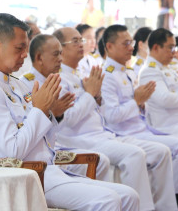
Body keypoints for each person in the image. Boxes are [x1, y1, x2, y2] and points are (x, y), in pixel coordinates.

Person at [0, 13, 139, 211]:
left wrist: (51, 113)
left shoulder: (16, 84)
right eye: (19, 48)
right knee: (107, 200)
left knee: (129, 196)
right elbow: (11, 152)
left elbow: (46, 140)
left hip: (49, 170)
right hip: (25, 177)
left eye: (26, 48)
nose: (25, 55)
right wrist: (40, 110)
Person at [53, 27, 171, 211]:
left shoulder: (79, 75)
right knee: (134, 154)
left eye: (80, 41)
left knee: (161, 151)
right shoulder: (58, 79)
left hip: (103, 134)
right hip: (79, 139)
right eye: (75, 41)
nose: (80, 45)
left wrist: (96, 98)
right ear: (59, 48)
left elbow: (101, 113)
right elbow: (68, 120)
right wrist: (91, 95)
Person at [101, 25, 178, 211]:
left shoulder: (127, 72)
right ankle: (175, 204)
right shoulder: (114, 74)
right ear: (109, 46)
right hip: (143, 129)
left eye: (131, 43)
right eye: (126, 43)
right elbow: (112, 116)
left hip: (157, 125)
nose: (131, 48)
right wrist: (137, 102)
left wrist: (140, 105)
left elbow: (143, 105)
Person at [20, 34, 111, 182]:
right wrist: (53, 114)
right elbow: (30, 125)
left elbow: (64, 116)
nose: (60, 59)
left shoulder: (59, 78)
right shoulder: (26, 83)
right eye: (56, 54)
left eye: (61, 54)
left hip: (59, 144)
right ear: (39, 58)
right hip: (42, 151)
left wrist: (95, 96)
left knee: (101, 162)